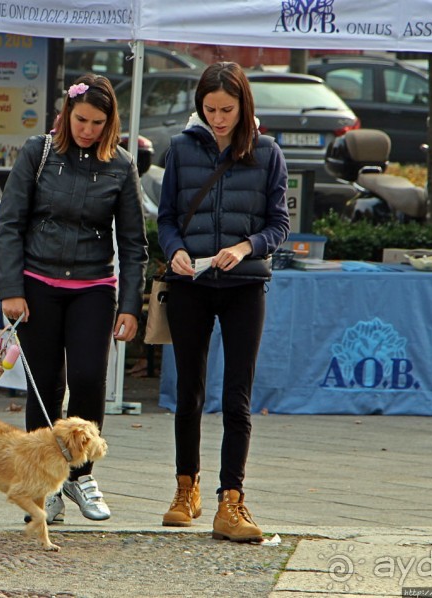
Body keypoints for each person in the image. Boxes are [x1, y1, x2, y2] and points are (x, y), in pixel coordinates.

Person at [0, 74, 148, 523]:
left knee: (87, 379)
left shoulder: (121, 166)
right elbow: (10, 224)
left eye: (97, 122)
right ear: (65, 115)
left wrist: (130, 305)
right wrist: (11, 290)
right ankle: (44, 483)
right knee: (45, 388)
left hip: (93, 288)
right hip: (37, 284)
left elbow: (135, 243)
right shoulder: (37, 152)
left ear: (110, 123)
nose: (87, 129)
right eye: (80, 119)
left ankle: (82, 475)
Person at [156, 62, 289, 542]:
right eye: (209, 109)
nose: (217, 118)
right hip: (191, 284)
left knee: (237, 397)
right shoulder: (180, 149)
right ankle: (184, 489)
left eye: (227, 110)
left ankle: (230, 501)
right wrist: (175, 250)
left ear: (243, 106)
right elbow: (167, 217)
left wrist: (245, 247)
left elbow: (278, 224)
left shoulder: (269, 153)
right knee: (187, 391)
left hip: (244, 285)